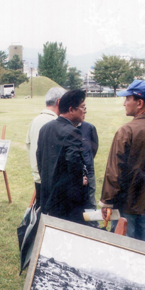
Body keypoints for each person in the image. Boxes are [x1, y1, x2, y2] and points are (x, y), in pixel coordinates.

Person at [99, 80, 145, 243]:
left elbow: (114, 171)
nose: (124, 103)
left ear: (139, 103)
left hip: (127, 204)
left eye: (127, 99)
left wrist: (107, 201)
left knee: (123, 247)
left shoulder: (126, 131)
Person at [36, 90, 89, 224]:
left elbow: (39, 158)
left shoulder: (45, 128)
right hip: (67, 201)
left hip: (47, 193)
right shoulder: (73, 132)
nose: (85, 111)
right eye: (83, 107)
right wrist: (81, 180)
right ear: (71, 109)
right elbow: (74, 164)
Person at [25, 87, 64, 205]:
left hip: (38, 178)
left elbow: (28, 145)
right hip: (52, 181)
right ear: (59, 102)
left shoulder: (35, 120)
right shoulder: (55, 123)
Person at [78, 116, 100, 214]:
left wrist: (87, 160)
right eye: (81, 107)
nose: (84, 111)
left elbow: (94, 148)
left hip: (88, 170)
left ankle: (92, 224)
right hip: (73, 171)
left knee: (90, 199)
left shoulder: (89, 127)